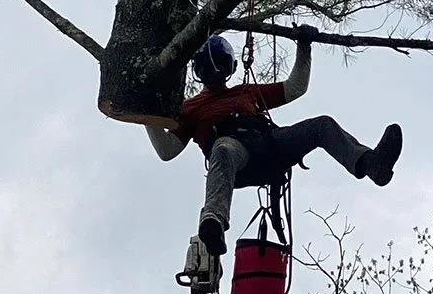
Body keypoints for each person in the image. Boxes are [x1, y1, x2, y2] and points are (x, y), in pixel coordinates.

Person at [145, 28, 403, 256]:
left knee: (321, 125)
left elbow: (295, 87)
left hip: (269, 144)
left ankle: (371, 164)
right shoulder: (189, 110)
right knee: (223, 148)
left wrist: (304, 47)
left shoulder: (246, 92)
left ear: (231, 67)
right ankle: (213, 221)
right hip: (237, 156)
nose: (214, 70)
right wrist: (146, 115)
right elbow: (167, 151)